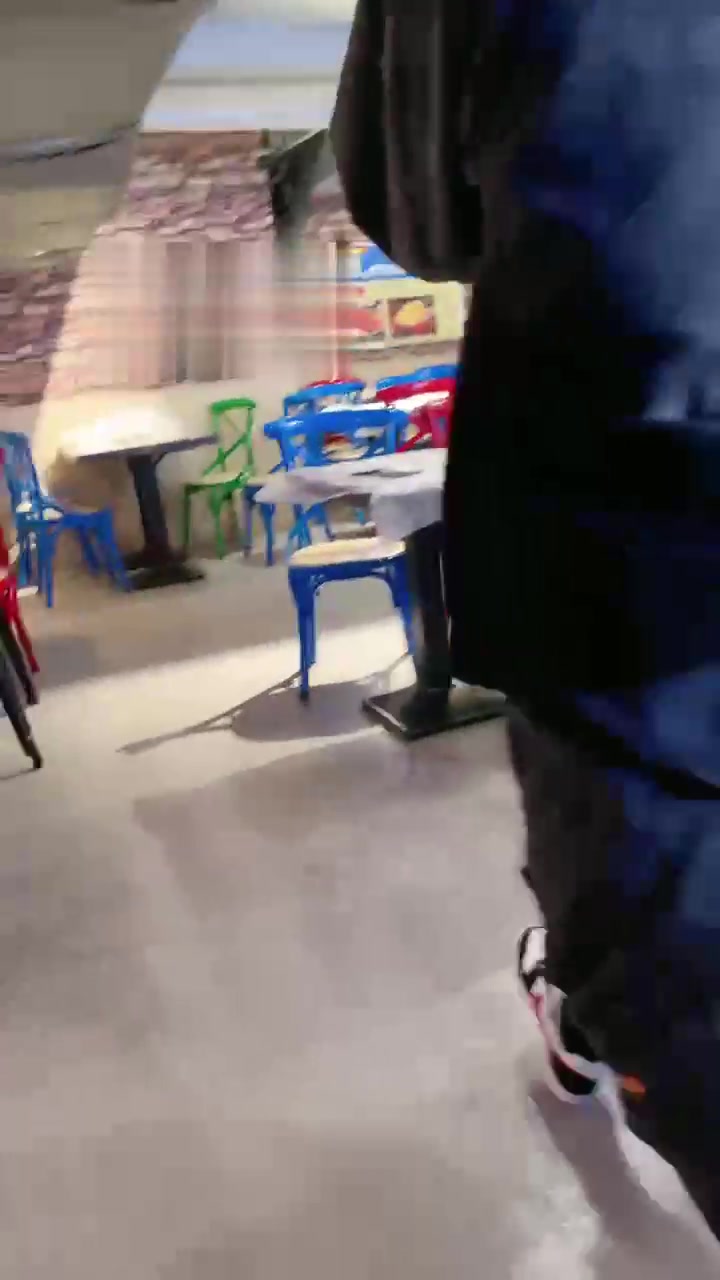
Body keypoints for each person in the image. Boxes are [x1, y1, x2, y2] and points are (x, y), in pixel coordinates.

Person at [331, 0, 720, 1237]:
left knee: (668, 944)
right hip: (644, 519)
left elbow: (413, 209)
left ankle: (591, 1011)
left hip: (633, 518)